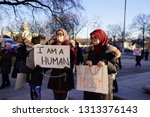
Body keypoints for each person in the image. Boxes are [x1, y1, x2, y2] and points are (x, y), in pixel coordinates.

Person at [84, 29, 121, 100]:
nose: (93, 39)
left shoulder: (110, 51)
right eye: (92, 37)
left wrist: (106, 63)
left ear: (101, 37)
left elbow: (115, 68)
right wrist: (87, 61)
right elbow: (86, 62)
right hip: (90, 86)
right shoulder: (92, 50)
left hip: (103, 86)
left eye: (95, 37)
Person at [47, 28, 75, 100]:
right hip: (55, 76)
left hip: (65, 77)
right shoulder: (53, 45)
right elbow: (48, 59)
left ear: (64, 35)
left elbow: (73, 58)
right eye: (57, 34)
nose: (59, 36)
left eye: (61, 34)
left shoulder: (69, 45)